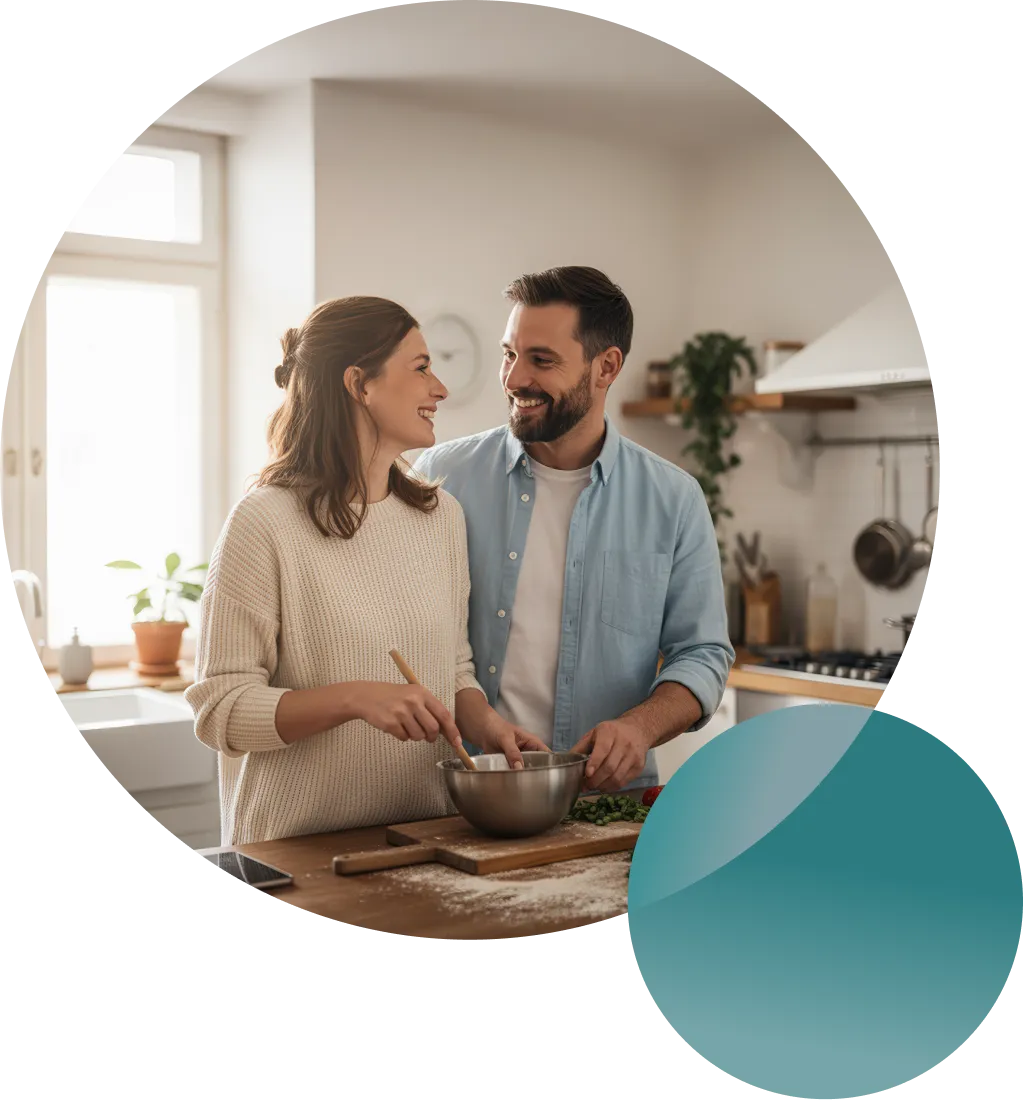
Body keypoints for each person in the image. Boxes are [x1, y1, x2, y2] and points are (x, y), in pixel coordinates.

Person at [185, 296, 548, 847]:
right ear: (359, 384)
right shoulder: (263, 523)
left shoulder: (440, 518)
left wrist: (487, 727)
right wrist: (355, 699)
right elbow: (220, 711)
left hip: (425, 840)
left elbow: (453, 669)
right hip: (297, 856)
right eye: (421, 367)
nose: (440, 389)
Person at [412, 266, 735, 796]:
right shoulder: (440, 479)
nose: (515, 379)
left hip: (606, 806)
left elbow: (702, 653)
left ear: (606, 367)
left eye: (541, 360)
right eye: (509, 354)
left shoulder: (674, 499)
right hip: (465, 800)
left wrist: (639, 728)